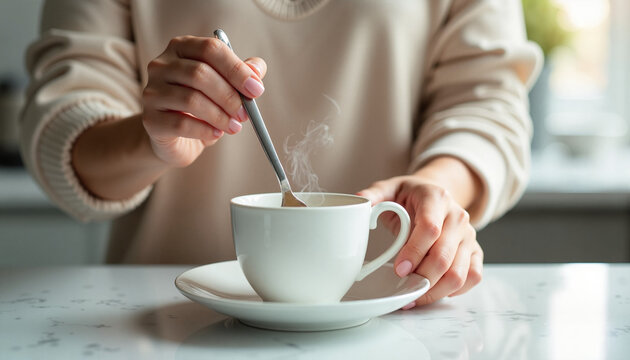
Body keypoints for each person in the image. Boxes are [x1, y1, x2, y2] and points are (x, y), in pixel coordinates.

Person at [20, 0, 541, 309]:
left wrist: (436, 192)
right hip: (165, 323)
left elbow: (488, 101)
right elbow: (60, 125)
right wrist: (149, 139)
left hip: (393, 322)